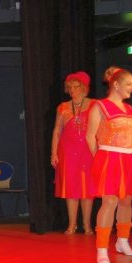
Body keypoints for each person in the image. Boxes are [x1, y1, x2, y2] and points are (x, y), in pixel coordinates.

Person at [86, 66, 132, 263]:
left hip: (130, 158)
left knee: (126, 202)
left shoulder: (129, 108)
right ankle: (102, 248)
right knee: (109, 202)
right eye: (128, 84)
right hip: (110, 158)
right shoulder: (100, 106)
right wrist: (99, 158)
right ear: (116, 85)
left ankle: (123, 241)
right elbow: (90, 136)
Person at [50, 72, 96, 234]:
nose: (72, 90)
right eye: (69, 87)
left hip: (88, 150)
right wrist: (53, 153)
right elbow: (57, 131)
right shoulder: (62, 107)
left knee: (87, 187)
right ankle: (72, 224)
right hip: (68, 150)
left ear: (84, 88)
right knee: (70, 187)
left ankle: (87, 225)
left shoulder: (94, 105)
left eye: (76, 87)